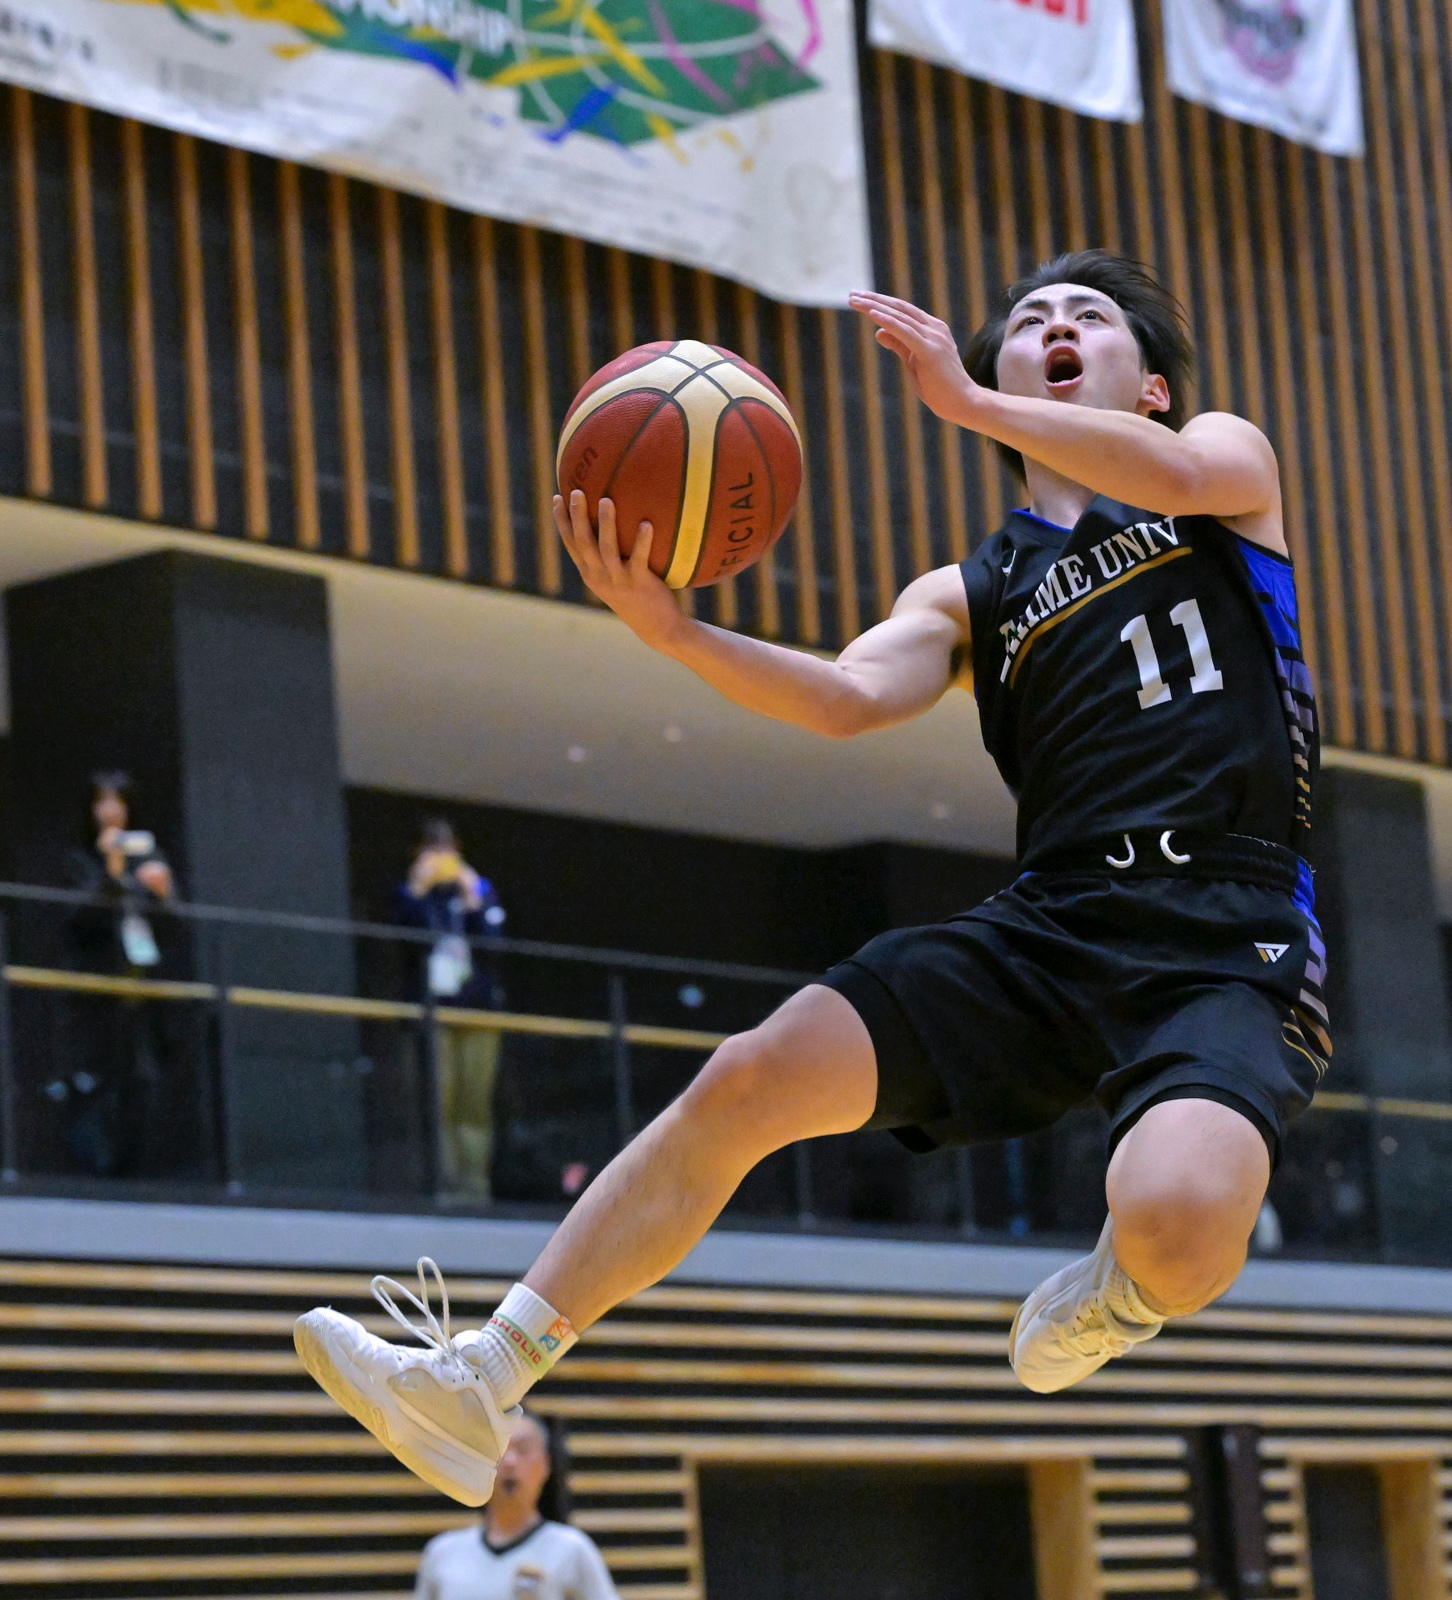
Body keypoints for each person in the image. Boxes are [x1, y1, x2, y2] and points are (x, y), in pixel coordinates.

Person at [295, 249, 1327, 1506]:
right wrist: (676, 633)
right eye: (1030, 320)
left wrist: (969, 403)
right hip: (1056, 920)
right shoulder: (970, 592)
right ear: (1005, 367)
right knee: (752, 1072)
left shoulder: (1220, 467)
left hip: (1226, 928)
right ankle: (485, 1372)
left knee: (1179, 1219)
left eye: (1091, 316)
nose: (1055, 324)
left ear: (1151, 387)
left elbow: (1182, 474)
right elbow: (845, 695)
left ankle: (1124, 1287)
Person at [56, 772, 179, 1176]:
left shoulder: (147, 856)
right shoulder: (79, 861)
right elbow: (80, 917)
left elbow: (171, 922)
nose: (110, 810)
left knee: (143, 1084)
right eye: (102, 801)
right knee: (96, 1085)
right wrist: (112, 868)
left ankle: (135, 1174)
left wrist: (163, 894)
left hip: (142, 992)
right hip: (96, 993)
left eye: (118, 801)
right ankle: (97, 1175)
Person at [399, 821, 508, 1203]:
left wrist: (473, 895)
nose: (441, 856)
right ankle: (442, 1187)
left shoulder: (478, 889)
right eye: (432, 848)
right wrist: (419, 887)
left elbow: (494, 944)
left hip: (478, 1011)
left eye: (447, 848)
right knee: (438, 1103)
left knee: (474, 1104)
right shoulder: (413, 894)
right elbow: (402, 936)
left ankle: (474, 1189)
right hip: (435, 1013)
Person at [415, 1410, 618, 1600]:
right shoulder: (442, 1553)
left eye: (523, 1450)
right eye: (500, 1450)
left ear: (546, 1465)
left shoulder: (572, 1550)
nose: (510, 1461)